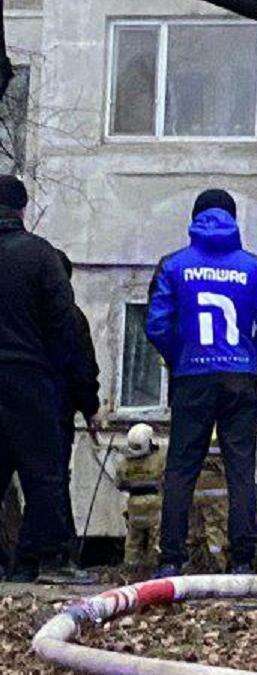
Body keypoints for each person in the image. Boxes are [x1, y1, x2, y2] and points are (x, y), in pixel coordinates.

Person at [146, 189, 257, 577]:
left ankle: (171, 558)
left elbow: (156, 325)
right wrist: (247, 358)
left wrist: (182, 358)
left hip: (192, 377)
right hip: (239, 378)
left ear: (195, 218)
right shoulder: (256, 268)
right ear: (233, 218)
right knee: (240, 468)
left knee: (181, 468)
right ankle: (243, 559)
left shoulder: (173, 266)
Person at [0, 175, 100, 582]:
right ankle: (29, 564)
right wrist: (69, 389)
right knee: (44, 475)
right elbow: (64, 327)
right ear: (22, 209)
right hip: (28, 377)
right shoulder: (40, 256)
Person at [42, 250, 102, 583]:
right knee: (52, 481)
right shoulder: (71, 316)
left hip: (21, 407)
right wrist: (90, 408)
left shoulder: (21, 312)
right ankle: (59, 554)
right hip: (57, 412)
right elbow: (83, 368)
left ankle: (26, 558)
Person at [116, 424, 164, 570]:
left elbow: (120, 484)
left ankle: (131, 571)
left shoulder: (125, 463)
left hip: (134, 505)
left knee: (133, 540)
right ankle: (151, 569)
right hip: (154, 503)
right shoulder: (159, 459)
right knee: (154, 538)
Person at [190, 434, 229, 571]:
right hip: (216, 490)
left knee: (195, 532)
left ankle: (195, 565)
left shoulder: (196, 424)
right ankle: (217, 566)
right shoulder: (220, 429)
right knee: (216, 529)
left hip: (195, 486)